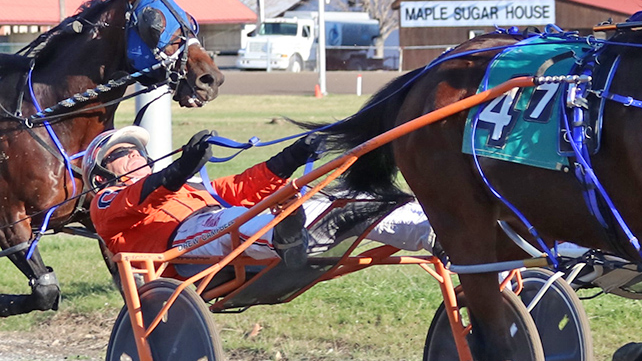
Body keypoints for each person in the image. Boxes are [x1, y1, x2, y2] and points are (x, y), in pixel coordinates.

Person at [86, 126, 437, 270]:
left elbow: (240, 187)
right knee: (227, 220)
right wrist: (177, 170)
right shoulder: (104, 202)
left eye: (137, 150)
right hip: (178, 246)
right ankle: (286, 235)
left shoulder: (190, 187)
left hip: (231, 224)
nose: (136, 155)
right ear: (102, 175)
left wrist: (293, 156)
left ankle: (433, 230)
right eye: (123, 153)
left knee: (345, 194)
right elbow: (136, 199)